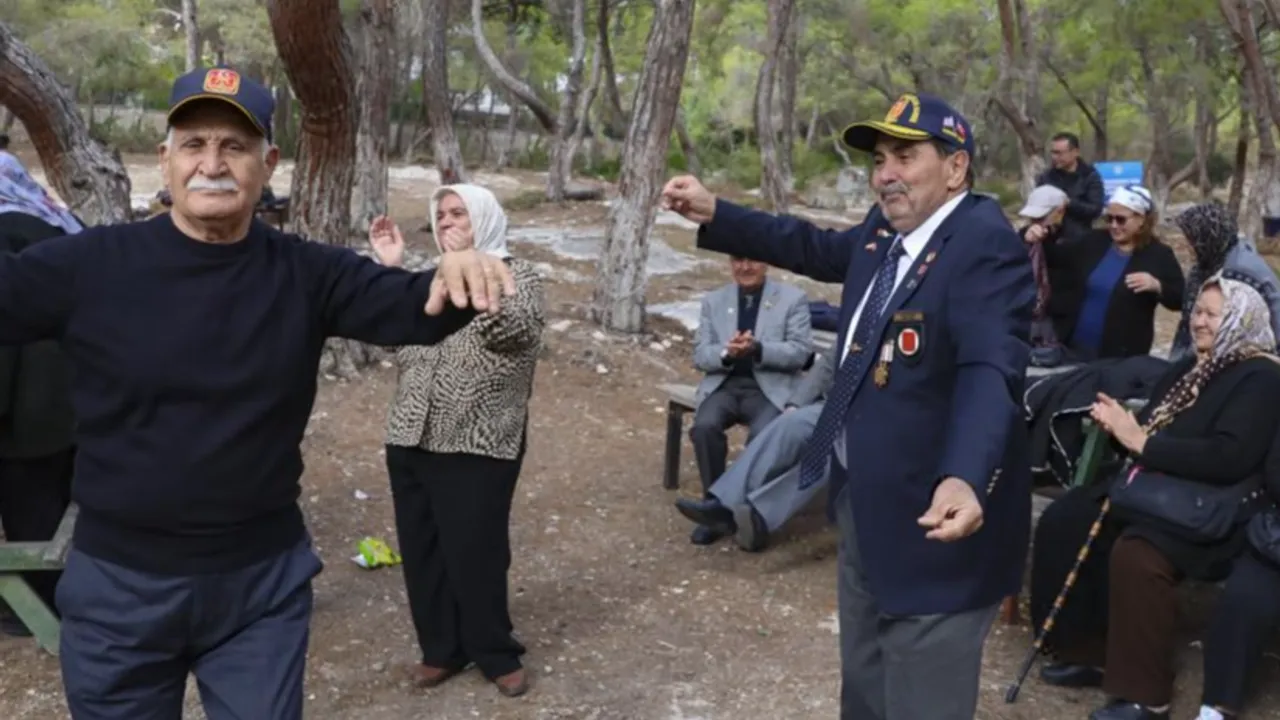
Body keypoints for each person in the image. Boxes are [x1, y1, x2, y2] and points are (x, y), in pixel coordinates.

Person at [0, 66, 514, 720]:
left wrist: (464, 270)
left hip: (258, 591)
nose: (212, 164)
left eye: (234, 146)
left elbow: (413, 306)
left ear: (267, 164)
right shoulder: (92, 265)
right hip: (118, 589)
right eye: (194, 144)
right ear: (166, 159)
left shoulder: (307, 273)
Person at [663, 91, 1036, 720]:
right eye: (879, 159)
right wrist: (716, 212)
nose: (886, 174)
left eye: (905, 157)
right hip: (864, 502)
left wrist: (965, 476)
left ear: (956, 167)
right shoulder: (884, 231)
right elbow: (808, 246)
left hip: (936, 523)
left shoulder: (984, 245)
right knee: (864, 690)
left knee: (920, 702)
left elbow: (990, 371)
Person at [1029, 276, 1280, 720]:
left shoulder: (1261, 376)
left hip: (1211, 509)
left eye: (1212, 314)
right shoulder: (1190, 367)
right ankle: (1089, 651)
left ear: (1241, 320)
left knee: (1138, 554)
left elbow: (1230, 457)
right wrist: (1120, 426)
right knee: (1067, 520)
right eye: (1197, 311)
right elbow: (1147, 426)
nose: (1199, 322)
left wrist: (1142, 443)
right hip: (1157, 491)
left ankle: (1146, 696)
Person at [368, 184, 544, 698]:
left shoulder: (517, 274)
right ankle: (442, 648)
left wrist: (474, 278)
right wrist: (393, 272)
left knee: (476, 551)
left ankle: (494, 651)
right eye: (440, 214)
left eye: (458, 213)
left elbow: (515, 332)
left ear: (484, 218)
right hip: (410, 431)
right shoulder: (430, 279)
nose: (446, 222)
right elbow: (396, 337)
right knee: (422, 550)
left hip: (477, 439)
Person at [0, 159, 81, 638]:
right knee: (57, 492)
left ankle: (36, 604)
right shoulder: (52, 217)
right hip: (78, 393)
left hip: (30, 403)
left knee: (30, 501)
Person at [687, 257, 812, 543]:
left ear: (766, 262)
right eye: (737, 260)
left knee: (764, 435)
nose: (745, 268)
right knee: (704, 427)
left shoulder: (792, 299)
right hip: (725, 385)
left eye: (752, 260)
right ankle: (713, 507)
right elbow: (700, 354)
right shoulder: (714, 301)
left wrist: (758, 349)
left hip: (770, 389)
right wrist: (726, 353)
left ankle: (750, 513)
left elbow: (800, 353)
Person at [675, 348, 834, 552]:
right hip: (831, 405)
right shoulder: (854, 327)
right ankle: (724, 505)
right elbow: (828, 363)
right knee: (789, 424)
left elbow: (799, 353)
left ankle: (757, 516)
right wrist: (796, 404)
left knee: (832, 457)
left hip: (866, 416)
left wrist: (759, 350)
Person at [1043, 185, 1184, 360]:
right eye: (1109, 219)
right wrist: (1042, 234)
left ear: (1141, 219)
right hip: (1073, 349)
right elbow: (1058, 258)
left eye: (1121, 220)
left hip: (1121, 356)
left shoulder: (1159, 255)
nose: (1114, 225)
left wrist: (1158, 286)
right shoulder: (1095, 241)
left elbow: (1180, 298)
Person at [1170, 201, 1280, 360]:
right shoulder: (1210, 259)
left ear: (1206, 237)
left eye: (1189, 240)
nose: (1184, 246)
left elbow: (1233, 333)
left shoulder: (1238, 273)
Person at [1017, 184, 1070, 352]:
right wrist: (1026, 242)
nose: (1036, 223)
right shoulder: (1025, 235)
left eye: (1041, 217)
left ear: (1059, 211)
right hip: (1030, 311)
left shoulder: (1074, 237)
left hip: (1059, 316)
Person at [1037, 132, 1105, 242]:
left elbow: (1096, 210)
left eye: (1059, 153)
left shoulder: (1090, 176)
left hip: (1080, 240)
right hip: (1049, 240)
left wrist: (1070, 203)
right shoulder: (1046, 177)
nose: (1054, 157)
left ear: (1075, 152)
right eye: (1053, 152)